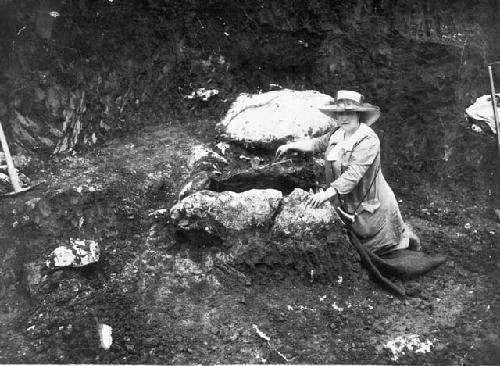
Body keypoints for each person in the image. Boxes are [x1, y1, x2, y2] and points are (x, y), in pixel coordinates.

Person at [276, 90, 421, 256]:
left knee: (382, 250)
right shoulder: (337, 134)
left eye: (349, 113)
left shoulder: (368, 140)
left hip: (371, 203)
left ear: (358, 114)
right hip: (346, 199)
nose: (343, 118)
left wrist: (325, 195)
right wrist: (291, 146)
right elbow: (317, 143)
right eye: (339, 113)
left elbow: (353, 174)